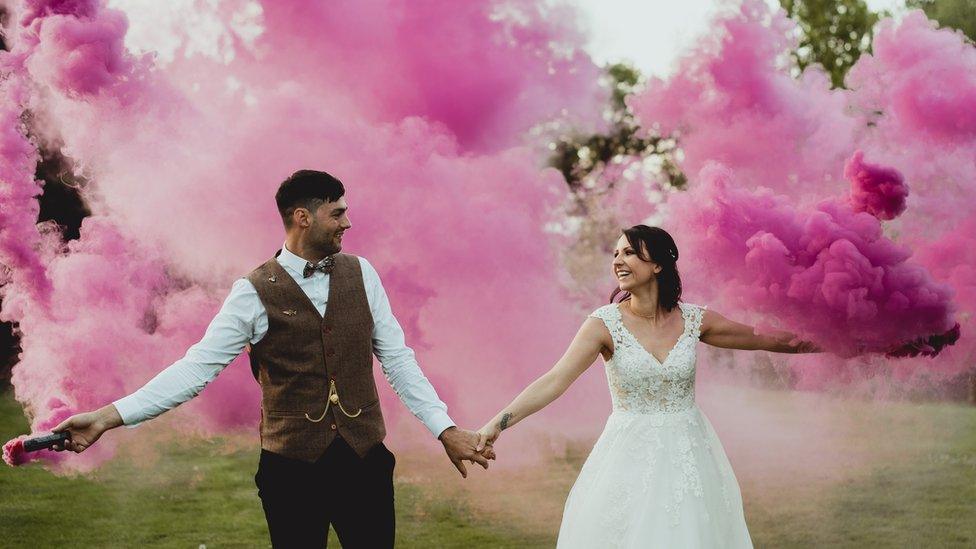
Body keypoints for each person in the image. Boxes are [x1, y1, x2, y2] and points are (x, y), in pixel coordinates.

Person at [52, 169, 491, 548]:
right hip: (291, 472)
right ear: (304, 217)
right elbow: (196, 368)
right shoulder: (252, 291)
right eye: (338, 213)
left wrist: (444, 428)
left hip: (364, 463)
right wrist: (109, 417)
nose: (348, 223)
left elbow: (398, 360)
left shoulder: (364, 273)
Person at [476, 224, 821, 548]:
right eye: (615, 254)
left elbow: (764, 339)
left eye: (628, 253)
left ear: (657, 264)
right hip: (628, 456)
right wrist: (497, 423)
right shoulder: (603, 324)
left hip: (689, 454)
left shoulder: (694, 320)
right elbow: (554, 380)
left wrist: (838, 341)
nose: (617, 261)